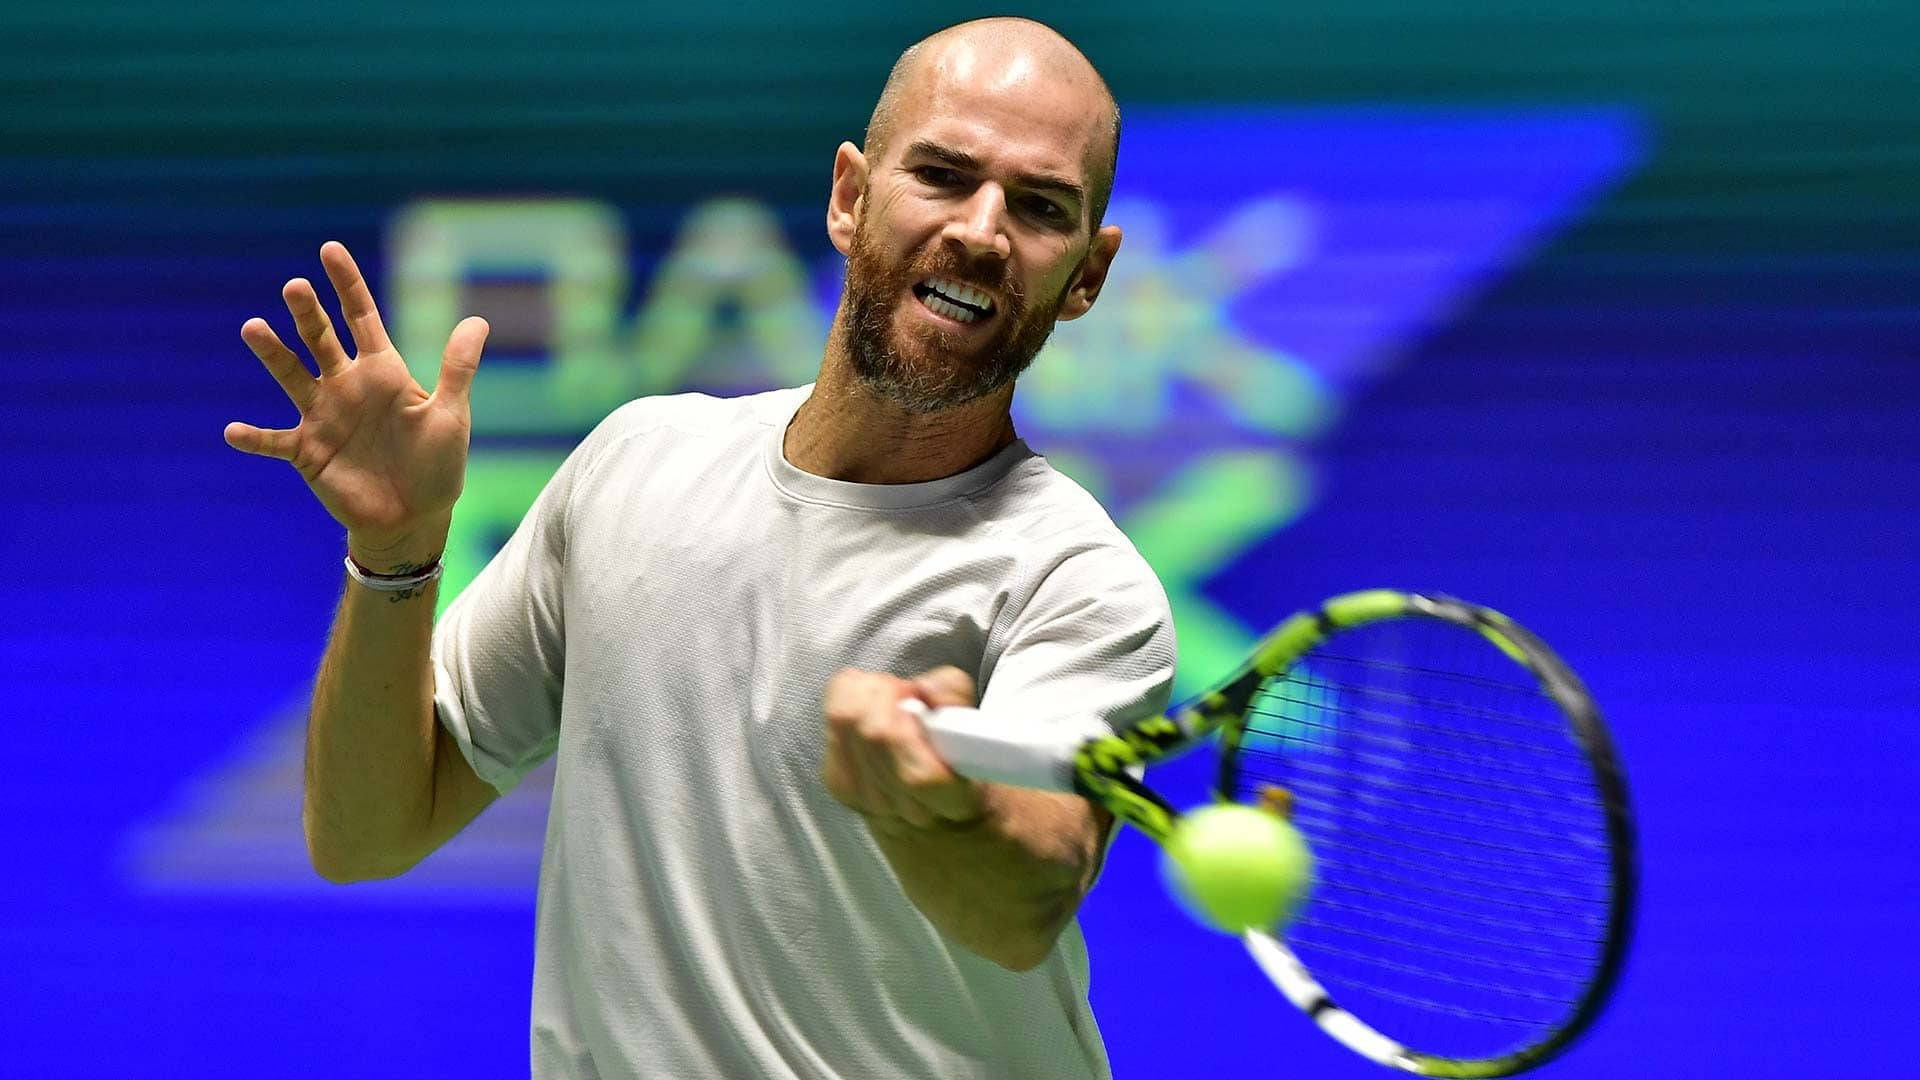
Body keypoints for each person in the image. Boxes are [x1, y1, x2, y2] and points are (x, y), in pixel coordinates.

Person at [225, 16, 1175, 1080]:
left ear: (1087, 275)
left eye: (1040, 206)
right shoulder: (636, 464)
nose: (983, 231)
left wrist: (932, 801)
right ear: (850, 197)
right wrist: (395, 551)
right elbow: (364, 832)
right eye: (944, 175)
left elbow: (1025, 899)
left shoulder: (1078, 583)